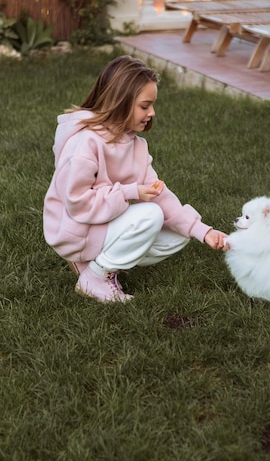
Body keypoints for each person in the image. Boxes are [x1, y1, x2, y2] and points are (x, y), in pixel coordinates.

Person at [43, 55, 228, 302]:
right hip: (75, 230)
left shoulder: (137, 145)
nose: (152, 112)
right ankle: (94, 277)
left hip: (102, 222)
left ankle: (93, 263)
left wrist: (203, 232)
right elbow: (78, 203)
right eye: (145, 105)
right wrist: (131, 192)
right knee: (150, 215)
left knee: (179, 234)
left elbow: (158, 194)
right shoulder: (85, 144)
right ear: (121, 102)